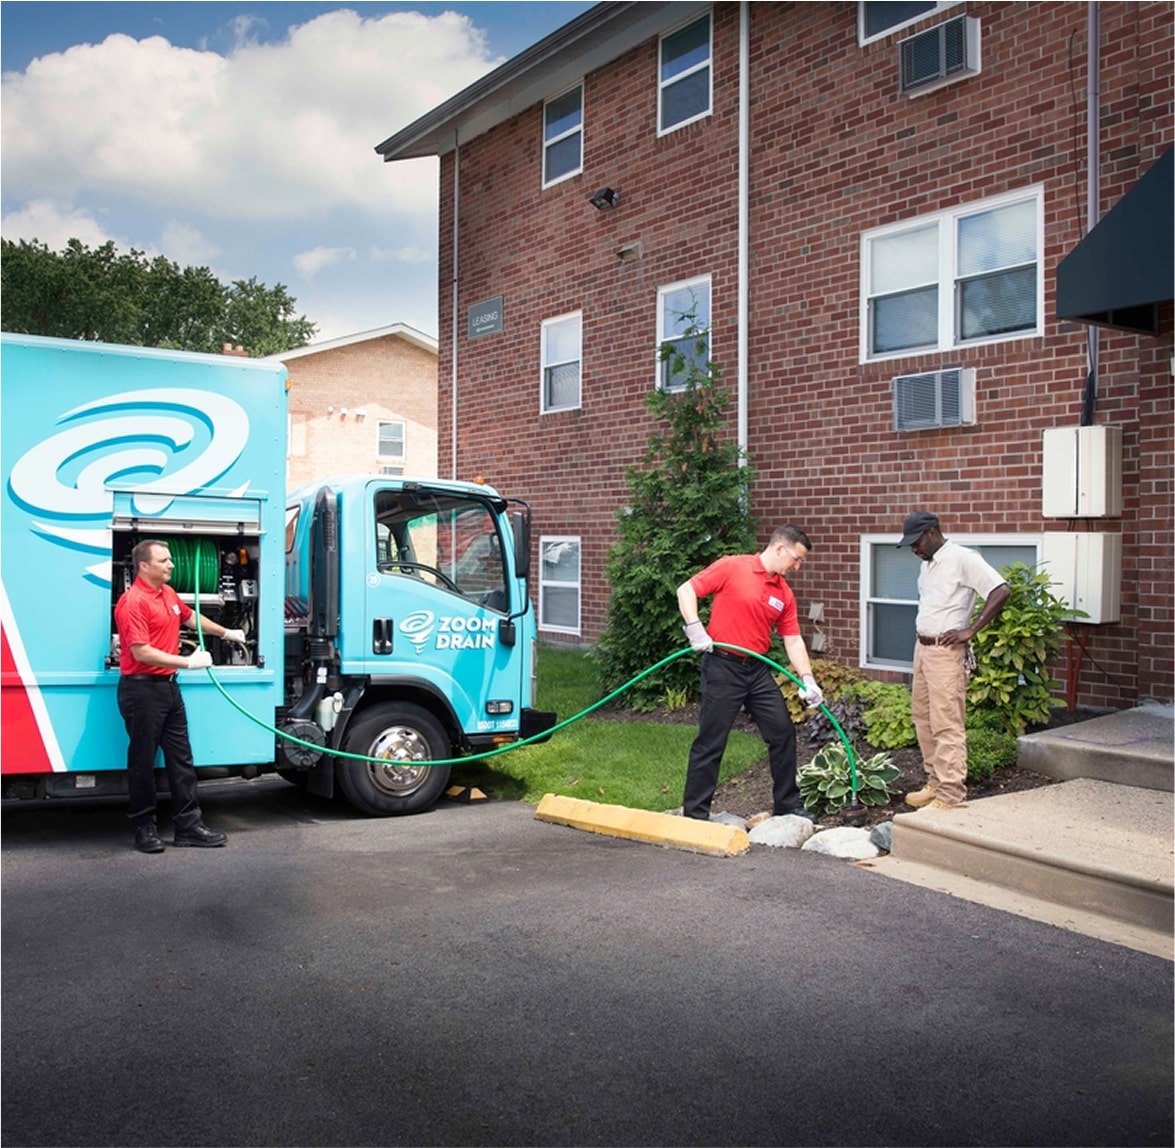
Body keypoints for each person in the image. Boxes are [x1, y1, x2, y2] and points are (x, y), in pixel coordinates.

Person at [677, 525, 823, 822]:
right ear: (780, 548)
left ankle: (786, 804)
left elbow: (792, 638)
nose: (797, 566)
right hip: (722, 665)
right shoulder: (733, 566)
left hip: (756, 671)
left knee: (782, 733)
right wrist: (695, 628)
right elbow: (687, 589)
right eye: (796, 559)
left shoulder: (783, 593)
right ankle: (695, 814)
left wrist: (808, 678)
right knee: (712, 740)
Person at [115, 539, 244, 853]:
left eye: (170, 559)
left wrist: (226, 632)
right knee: (142, 762)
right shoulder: (133, 602)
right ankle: (144, 829)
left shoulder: (168, 594)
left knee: (181, 759)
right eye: (163, 560)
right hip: (141, 689)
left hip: (168, 688)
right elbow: (141, 652)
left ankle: (188, 826)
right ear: (144, 566)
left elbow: (190, 618)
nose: (171, 564)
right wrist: (188, 662)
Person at [896, 511, 1011, 810]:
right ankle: (934, 783)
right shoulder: (929, 565)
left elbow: (1001, 589)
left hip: (946, 654)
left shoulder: (963, 558)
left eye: (916, 541)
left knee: (947, 723)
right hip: (922, 648)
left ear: (933, 532)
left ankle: (950, 794)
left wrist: (970, 630)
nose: (913, 548)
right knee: (922, 718)